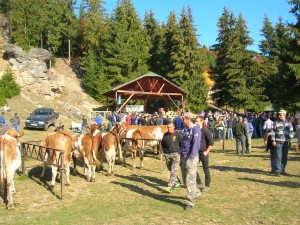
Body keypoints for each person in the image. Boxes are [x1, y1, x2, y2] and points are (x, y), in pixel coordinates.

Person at [180, 112, 201, 210]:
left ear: (188, 119)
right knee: (185, 178)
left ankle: (190, 201)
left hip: (191, 157)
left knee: (190, 179)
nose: (182, 120)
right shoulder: (185, 129)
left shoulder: (196, 129)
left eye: (184, 119)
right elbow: (184, 142)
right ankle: (196, 192)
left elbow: (196, 144)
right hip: (183, 155)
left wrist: (191, 157)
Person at [270, 109, 294, 176]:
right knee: (278, 156)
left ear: (284, 115)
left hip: (286, 142)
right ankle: (278, 171)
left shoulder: (289, 123)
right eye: (279, 115)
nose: (279, 116)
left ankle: (283, 170)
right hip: (278, 142)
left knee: (284, 157)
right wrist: (273, 140)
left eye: (281, 115)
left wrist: (290, 141)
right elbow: (272, 132)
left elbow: (291, 132)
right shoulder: (275, 122)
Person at [161, 122, 183, 193]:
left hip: (176, 154)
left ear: (174, 127)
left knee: (174, 170)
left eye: (170, 127)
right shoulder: (165, 135)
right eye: (168, 127)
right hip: (167, 154)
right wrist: (164, 152)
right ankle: (177, 183)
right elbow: (163, 144)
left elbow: (182, 144)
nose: (169, 129)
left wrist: (179, 152)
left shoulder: (178, 135)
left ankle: (170, 186)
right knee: (170, 168)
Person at [195, 116, 214, 192]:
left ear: (202, 121)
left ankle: (207, 185)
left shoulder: (205, 130)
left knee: (205, 169)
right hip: (196, 153)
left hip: (204, 152)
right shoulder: (195, 130)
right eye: (195, 121)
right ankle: (199, 182)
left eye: (197, 121)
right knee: (193, 167)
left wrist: (206, 151)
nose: (196, 123)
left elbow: (211, 142)